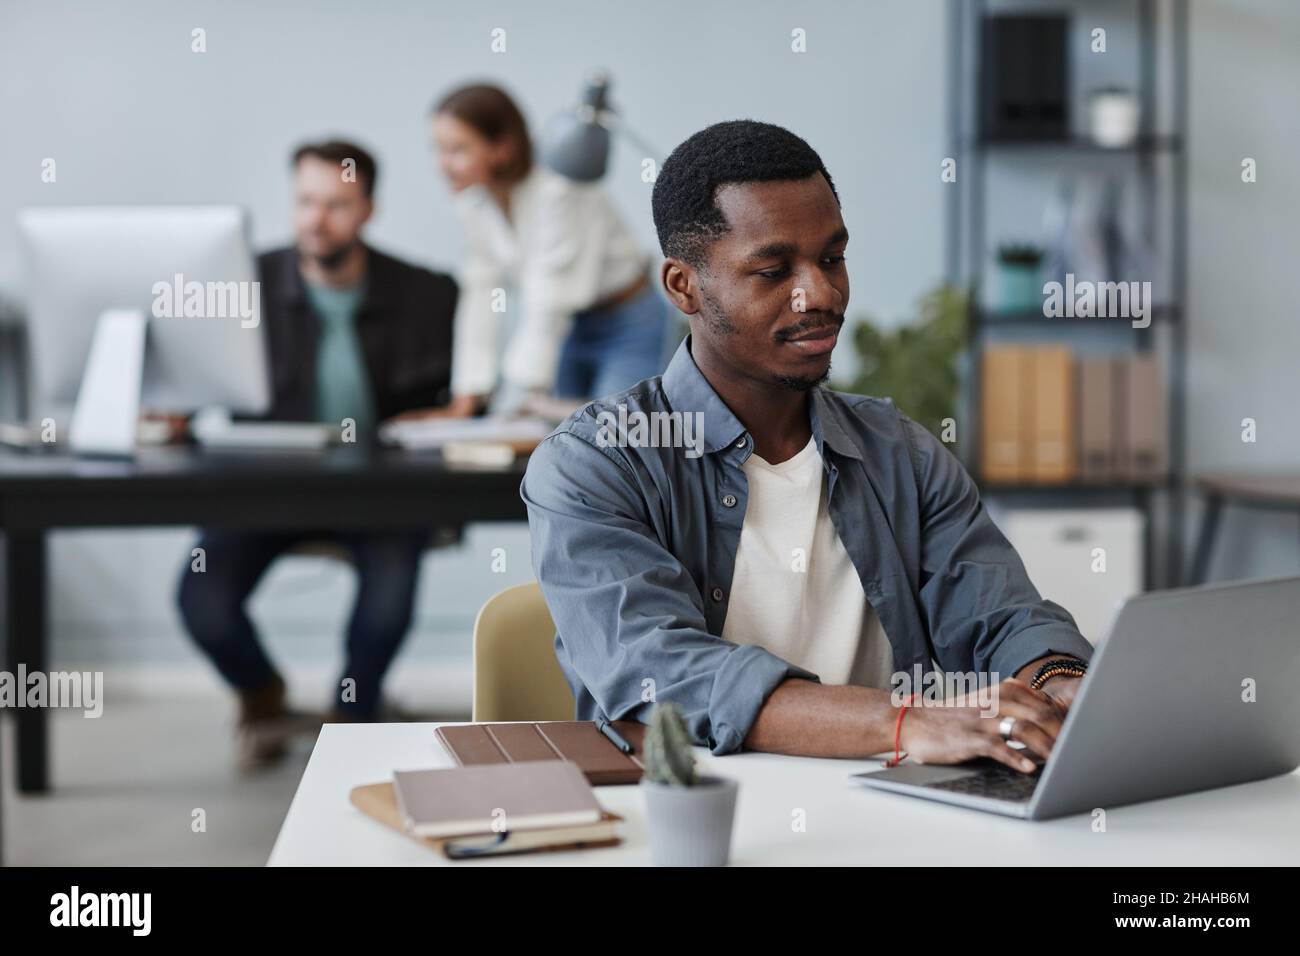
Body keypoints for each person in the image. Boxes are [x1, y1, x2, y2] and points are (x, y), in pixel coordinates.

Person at [521, 120, 1094, 771]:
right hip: (689, 818)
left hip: (888, 807)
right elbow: (662, 672)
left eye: (831, 259)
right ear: (684, 286)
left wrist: (1058, 682)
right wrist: (903, 722)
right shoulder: (596, 462)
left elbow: (1003, 616)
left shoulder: (899, 453)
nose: (820, 294)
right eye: (772, 269)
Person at [177, 139, 458, 769]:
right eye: (306, 201)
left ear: (368, 210)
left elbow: (452, 400)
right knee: (203, 601)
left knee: (386, 605)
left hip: (379, 494)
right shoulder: (239, 284)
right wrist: (174, 408)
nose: (316, 218)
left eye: (337, 204)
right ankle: (262, 694)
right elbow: (201, 384)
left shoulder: (425, 292)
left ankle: (353, 724)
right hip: (265, 488)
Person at [429, 83, 671, 413]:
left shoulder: (560, 190)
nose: (442, 164)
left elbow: (549, 298)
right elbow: (481, 293)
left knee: (618, 441)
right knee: (565, 446)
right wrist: (467, 396)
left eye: (457, 149)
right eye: (438, 149)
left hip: (628, 324)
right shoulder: (473, 201)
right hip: (573, 327)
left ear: (502, 147)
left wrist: (519, 393)